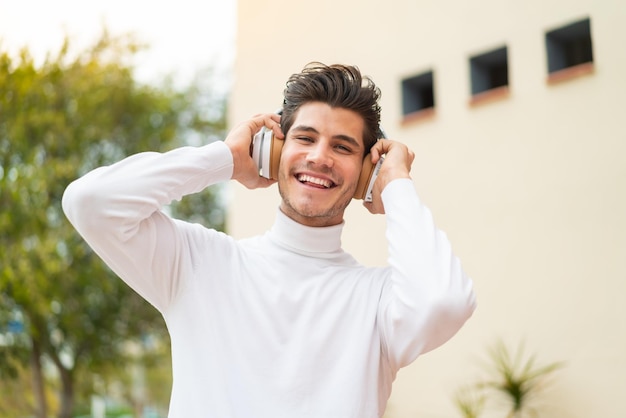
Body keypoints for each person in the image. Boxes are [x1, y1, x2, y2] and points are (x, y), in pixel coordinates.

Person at [62, 62, 476, 418]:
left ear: (365, 174)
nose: (319, 157)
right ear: (273, 151)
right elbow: (90, 202)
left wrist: (396, 186)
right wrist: (224, 159)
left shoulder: (378, 301)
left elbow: (444, 302)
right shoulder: (197, 263)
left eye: (343, 147)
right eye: (305, 138)